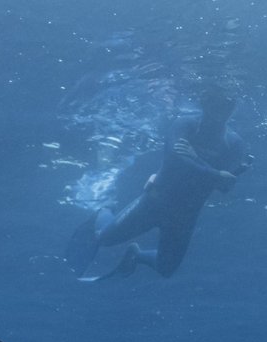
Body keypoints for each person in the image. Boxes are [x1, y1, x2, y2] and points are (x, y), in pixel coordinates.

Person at [67, 88, 249, 280]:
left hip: (184, 215)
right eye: (218, 103)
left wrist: (199, 162)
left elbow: (224, 185)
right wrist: (214, 173)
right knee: (103, 238)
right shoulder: (186, 124)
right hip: (154, 201)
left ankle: (136, 255)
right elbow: (175, 159)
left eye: (229, 105)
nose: (223, 109)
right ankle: (104, 210)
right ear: (205, 104)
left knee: (166, 268)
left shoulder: (235, 143)